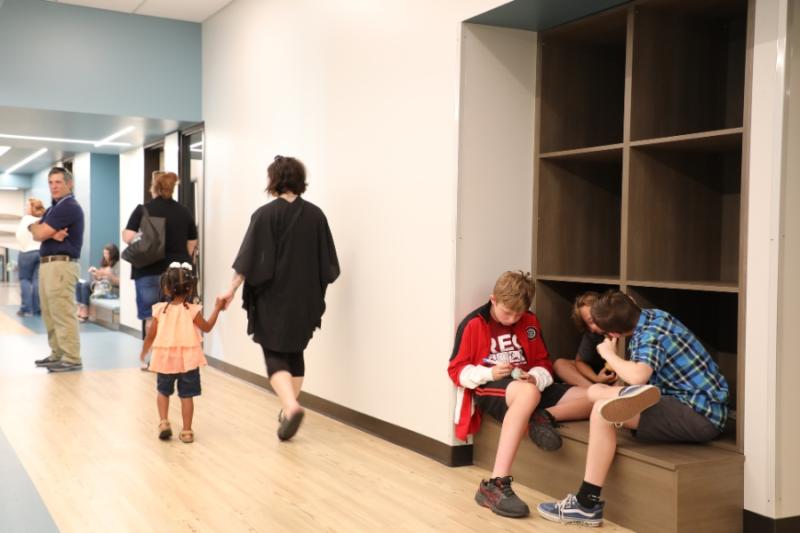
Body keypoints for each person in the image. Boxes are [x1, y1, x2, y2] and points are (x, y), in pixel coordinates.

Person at [538, 290, 729, 527]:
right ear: (632, 302)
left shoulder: (649, 337)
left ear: (614, 333)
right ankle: (624, 395)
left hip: (699, 414)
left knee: (600, 408)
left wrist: (608, 353)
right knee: (598, 395)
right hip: (695, 402)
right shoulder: (654, 316)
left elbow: (639, 375)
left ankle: (586, 504)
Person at [447, 271, 593, 519]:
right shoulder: (474, 324)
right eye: (507, 312)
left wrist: (536, 376)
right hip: (493, 388)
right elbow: (456, 370)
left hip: (530, 386)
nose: (513, 319)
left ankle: (542, 416)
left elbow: (542, 363)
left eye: (519, 314)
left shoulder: (530, 322)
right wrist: (490, 373)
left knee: (594, 396)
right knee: (527, 393)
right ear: (493, 300)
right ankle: (494, 484)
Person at [219, 155, 340, 442]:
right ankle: (288, 412)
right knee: (295, 353)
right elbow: (329, 266)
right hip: (306, 299)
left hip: (272, 298)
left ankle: (290, 406)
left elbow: (246, 261)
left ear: (273, 180)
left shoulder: (264, 215)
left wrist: (231, 289)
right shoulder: (316, 215)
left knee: (274, 354)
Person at [139, 262, 224, 443]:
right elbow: (207, 327)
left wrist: (144, 351)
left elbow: (151, 335)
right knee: (187, 396)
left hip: (165, 360)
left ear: (166, 288)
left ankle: (163, 422)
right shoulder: (193, 311)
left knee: (163, 391)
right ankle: (186, 431)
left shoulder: (160, 310)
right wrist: (217, 308)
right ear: (190, 288)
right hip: (188, 361)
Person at [123, 171, 198, 339]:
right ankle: (174, 359)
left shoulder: (143, 210)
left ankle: (155, 359)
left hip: (148, 271)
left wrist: (142, 236)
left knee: (152, 317)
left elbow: (127, 237)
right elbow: (192, 243)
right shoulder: (184, 212)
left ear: (153, 188)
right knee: (176, 316)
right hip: (176, 273)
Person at [29, 167, 85, 373]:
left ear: (69, 184)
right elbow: (35, 230)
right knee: (50, 313)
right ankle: (58, 354)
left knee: (62, 312)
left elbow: (39, 231)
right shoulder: (53, 209)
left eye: (58, 182)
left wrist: (44, 231)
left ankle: (71, 357)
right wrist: (47, 233)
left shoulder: (68, 206)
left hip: (61, 265)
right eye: (51, 182)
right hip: (49, 264)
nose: (54, 186)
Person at [551, 291, 617, 388]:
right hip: (599, 373)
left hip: (621, 374)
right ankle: (595, 390)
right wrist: (596, 379)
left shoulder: (619, 329)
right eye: (590, 323)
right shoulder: (593, 334)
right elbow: (580, 361)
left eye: (595, 319)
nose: (593, 327)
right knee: (559, 364)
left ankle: (604, 393)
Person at [15, 197, 45, 317]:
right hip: (40, 252)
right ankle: (37, 309)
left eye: (26, 206)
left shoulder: (26, 219)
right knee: (37, 281)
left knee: (25, 279)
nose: (25, 208)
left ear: (32, 208)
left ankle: (26, 309)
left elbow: (19, 235)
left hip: (26, 252)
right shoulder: (42, 220)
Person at [75, 243, 120, 321]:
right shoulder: (105, 263)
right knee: (79, 284)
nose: (105, 256)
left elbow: (119, 282)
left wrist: (109, 275)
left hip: (111, 289)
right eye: (104, 253)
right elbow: (99, 279)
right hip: (102, 285)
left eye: (107, 254)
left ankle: (85, 311)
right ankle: (80, 308)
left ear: (113, 254)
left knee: (86, 285)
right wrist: (96, 274)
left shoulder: (118, 265)